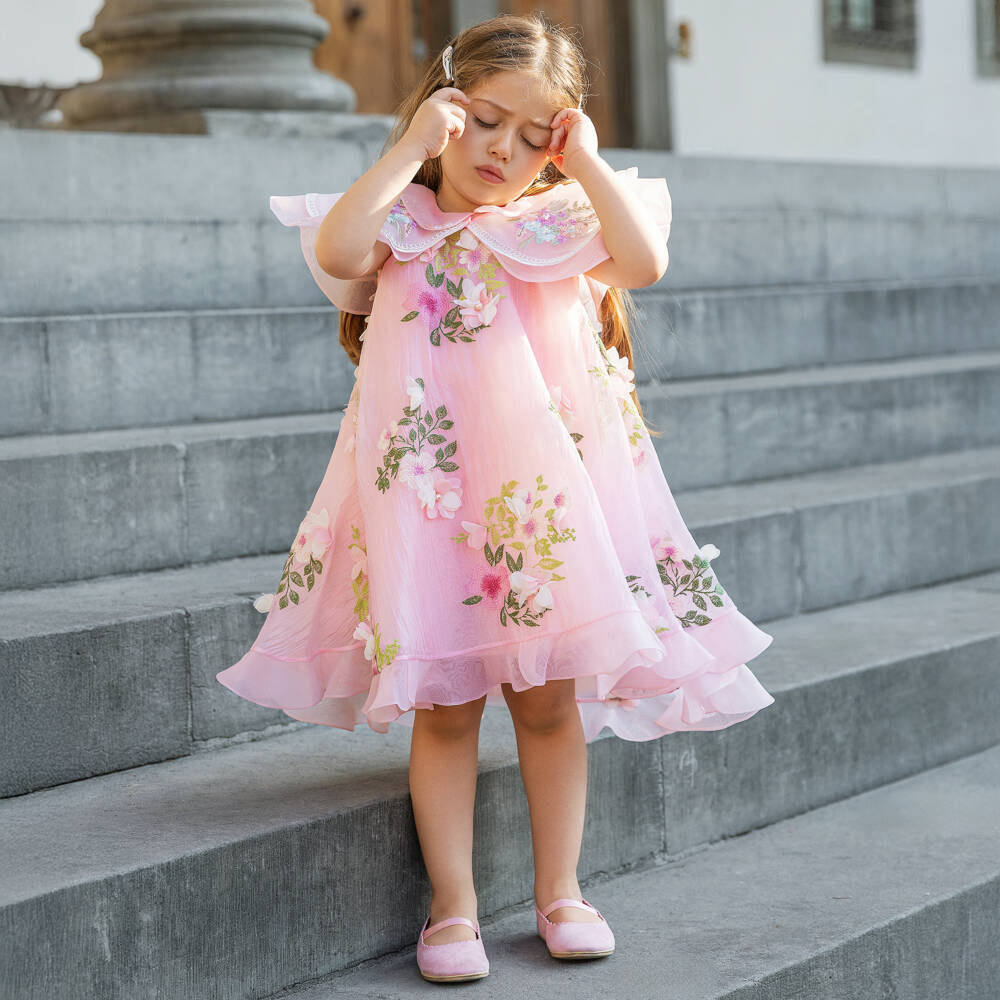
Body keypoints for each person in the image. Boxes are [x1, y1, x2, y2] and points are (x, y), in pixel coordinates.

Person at [215, 12, 775, 984]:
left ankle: (563, 890)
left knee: (548, 704)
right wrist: (409, 149)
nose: (500, 150)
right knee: (443, 706)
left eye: (531, 135)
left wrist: (583, 159)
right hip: (432, 509)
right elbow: (339, 250)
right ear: (444, 107)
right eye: (482, 120)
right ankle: (454, 907)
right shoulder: (399, 223)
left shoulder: (554, 225)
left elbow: (645, 262)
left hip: (539, 520)